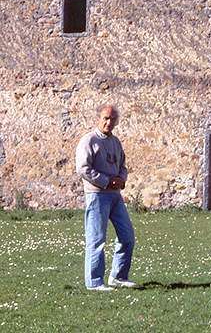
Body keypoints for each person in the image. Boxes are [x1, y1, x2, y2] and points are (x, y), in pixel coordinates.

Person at [75, 104, 136, 291]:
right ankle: (94, 282)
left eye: (112, 119)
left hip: (115, 196)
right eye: (105, 118)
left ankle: (118, 276)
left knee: (127, 236)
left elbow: (123, 165)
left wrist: (121, 180)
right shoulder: (89, 140)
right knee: (96, 239)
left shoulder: (115, 142)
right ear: (99, 118)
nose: (109, 122)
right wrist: (106, 181)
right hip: (97, 195)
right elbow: (83, 169)